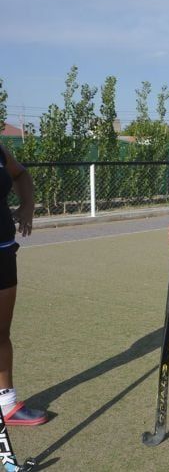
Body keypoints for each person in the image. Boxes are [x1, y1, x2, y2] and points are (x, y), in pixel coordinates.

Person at [0, 143, 47, 426]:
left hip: (4, 250)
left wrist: (27, 205)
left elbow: (20, 174)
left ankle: (6, 404)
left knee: (1, 332)